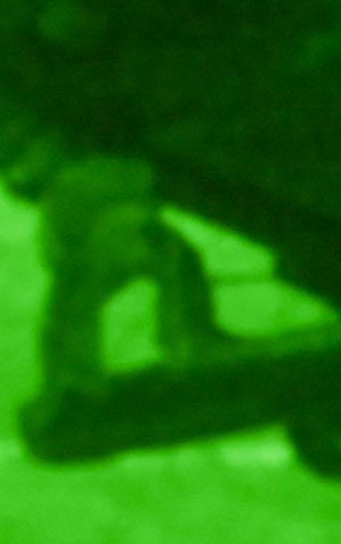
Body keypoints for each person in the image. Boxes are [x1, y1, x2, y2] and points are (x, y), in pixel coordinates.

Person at [35, 150, 226, 393]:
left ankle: (72, 379)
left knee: (69, 308)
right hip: (127, 230)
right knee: (177, 264)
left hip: (119, 230)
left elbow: (59, 251)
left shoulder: (70, 181)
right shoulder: (75, 181)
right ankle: (190, 341)